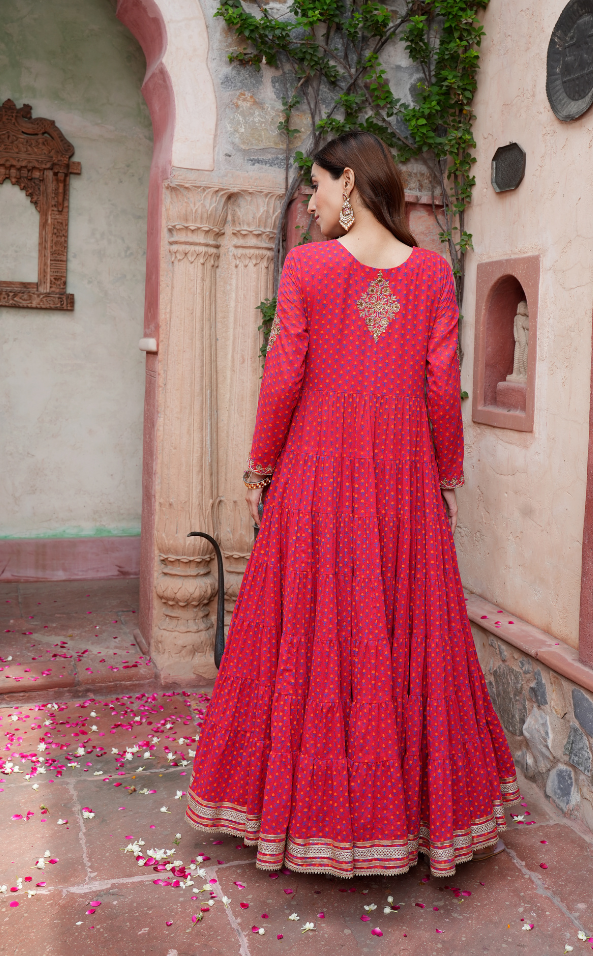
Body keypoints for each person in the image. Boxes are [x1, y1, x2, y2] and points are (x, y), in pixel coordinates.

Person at [186, 132, 520, 878]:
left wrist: (259, 466)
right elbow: (440, 387)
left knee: (310, 627)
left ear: (346, 183)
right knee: (402, 632)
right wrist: (447, 476)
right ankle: (409, 820)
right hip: (404, 477)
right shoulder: (433, 275)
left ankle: (298, 817)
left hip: (314, 472)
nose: (309, 202)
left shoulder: (306, 266)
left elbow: (285, 375)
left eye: (314, 188)